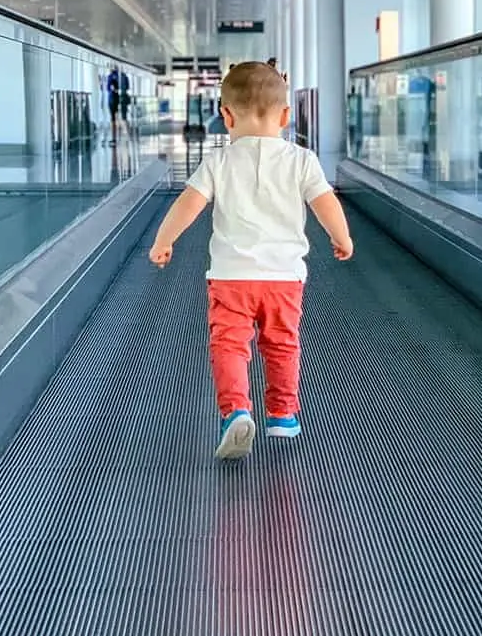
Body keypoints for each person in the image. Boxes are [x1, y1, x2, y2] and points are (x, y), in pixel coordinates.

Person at [148, 61, 354, 460]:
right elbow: (325, 202)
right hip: (284, 279)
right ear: (285, 116)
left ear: (225, 116)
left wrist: (164, 241)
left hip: (230, 277)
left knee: (229, 346)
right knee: (282, 344)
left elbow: (188, 204)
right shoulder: (302, 160)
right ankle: (283, 413)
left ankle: (236, 411)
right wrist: (341, 237)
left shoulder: (218, 161)